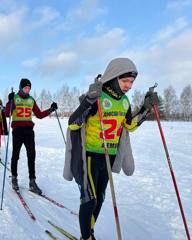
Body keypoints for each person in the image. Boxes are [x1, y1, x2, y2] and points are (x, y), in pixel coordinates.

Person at [64, 58, 159, 240]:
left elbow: (129, 125)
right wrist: (89, 100)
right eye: (125, 81)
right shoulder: (97, 96)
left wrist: (146, 109)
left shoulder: (124, 102)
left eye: (131, 82)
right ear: (114, 77)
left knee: (99, 198)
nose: (128, 86)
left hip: (109, 157)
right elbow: (73, 124)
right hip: (90, 156)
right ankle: (86, 238)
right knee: (89, 199)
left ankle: (89, 230)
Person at [5, 78, 58, 194]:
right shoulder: (15, 98)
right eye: (25, 88)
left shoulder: (31, 100)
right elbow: (6, 114)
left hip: (29, 131)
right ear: (21, 87)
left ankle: (32, 182)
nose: (27, 90)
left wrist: (51, 109)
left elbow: (39, 114)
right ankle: (14, 178)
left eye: (29, 88)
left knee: (31, 155)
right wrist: (9, 101)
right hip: (18, 130)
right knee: (15, 155)